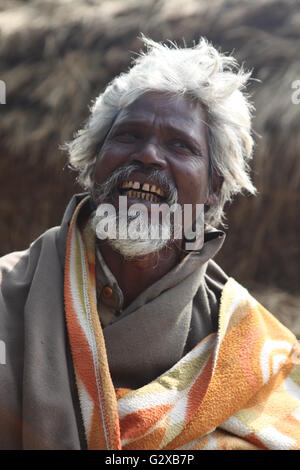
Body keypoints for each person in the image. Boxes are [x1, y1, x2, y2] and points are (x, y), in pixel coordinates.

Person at [0, 36, 299, 451]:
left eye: (180, 144)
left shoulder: (259, 353)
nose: (148, 156)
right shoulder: (7, 295)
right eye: (128, 136)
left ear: (213, 187)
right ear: (95, 162)